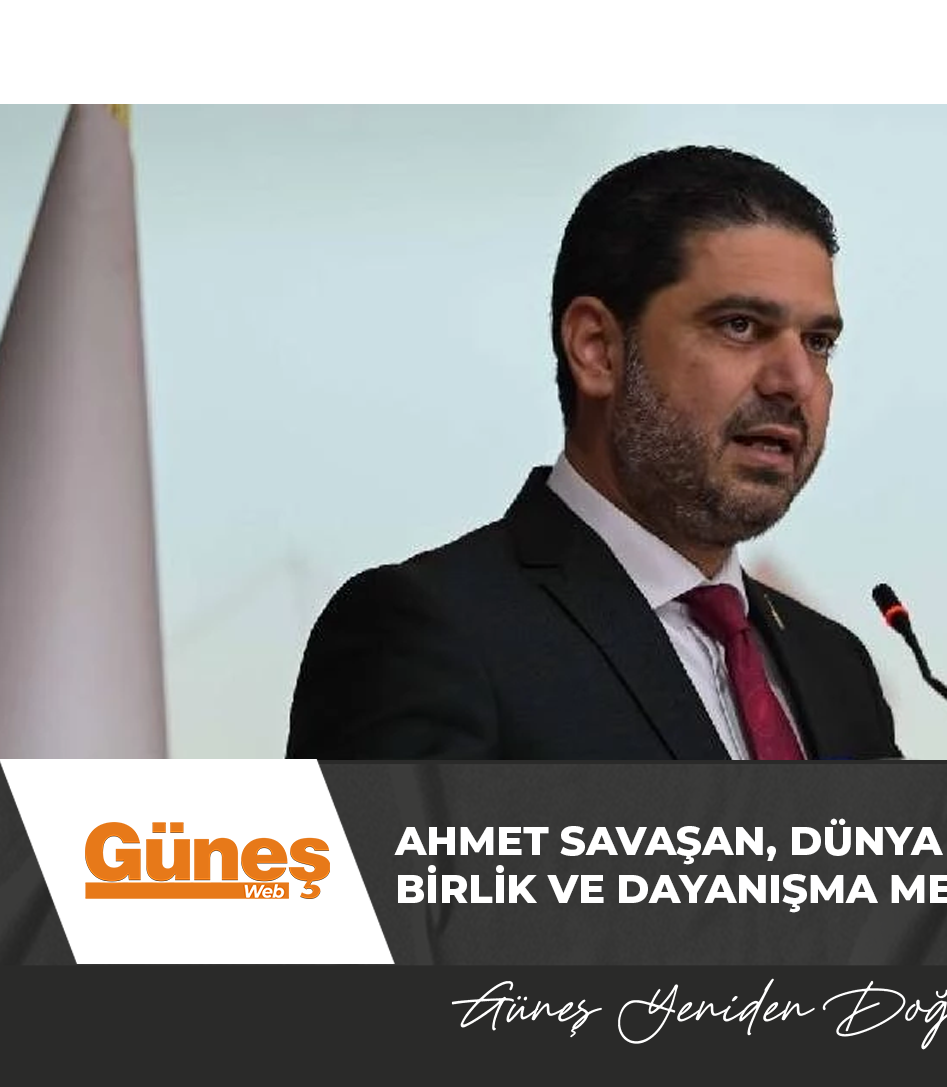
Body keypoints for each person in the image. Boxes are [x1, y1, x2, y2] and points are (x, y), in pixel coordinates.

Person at [286, 146, 900, 760]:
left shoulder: (836, 669)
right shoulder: (430, 634)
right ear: (597, 349)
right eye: (740, 326)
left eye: (818, 342)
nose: (796, 380)